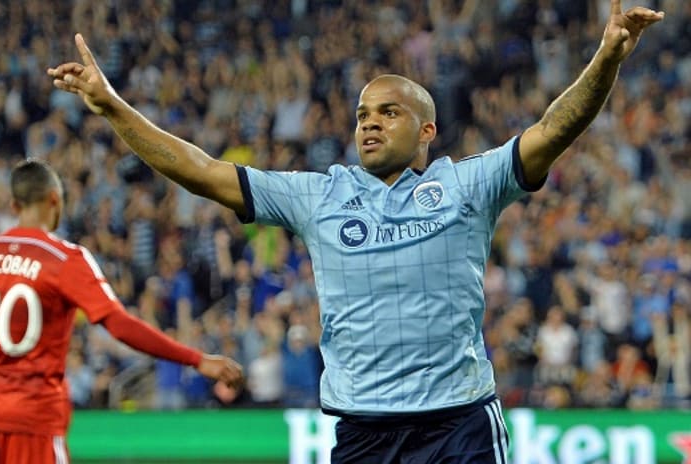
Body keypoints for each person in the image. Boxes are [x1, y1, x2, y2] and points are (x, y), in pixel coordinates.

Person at [48, 1, 663, 462]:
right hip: (361, 432)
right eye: (363, 114)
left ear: (427, 130)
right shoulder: (318, 196)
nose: (368, 124)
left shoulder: (468, 185)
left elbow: (555, 127)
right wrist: (111, 106)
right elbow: (201, 171)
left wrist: (607, 54)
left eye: (388, 112)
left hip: (460, 427)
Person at [0, 159, 243, 464]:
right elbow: (119, 325)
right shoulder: (64, 259)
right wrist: (196, 359)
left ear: (14, 205)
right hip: (31, 412)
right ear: (55, 199)